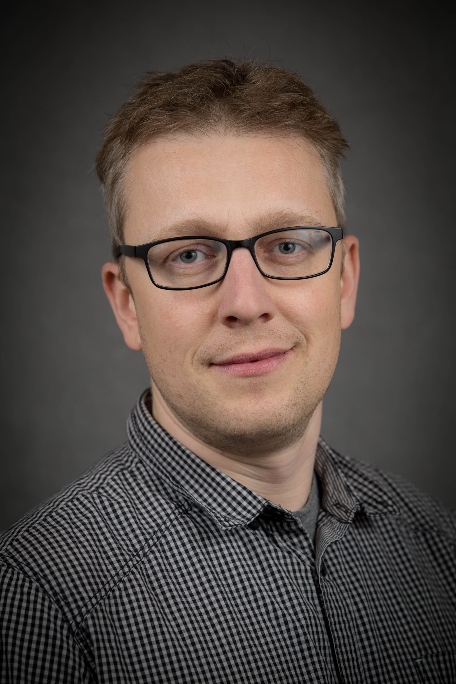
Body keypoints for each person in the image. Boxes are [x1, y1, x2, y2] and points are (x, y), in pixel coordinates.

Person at [0, 59, 454, 683]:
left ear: (344, 280)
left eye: (287, 245)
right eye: (188, 254)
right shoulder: (38, 597)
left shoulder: (435, 542)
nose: (246, 301)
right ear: (126, 304)